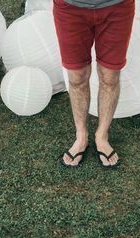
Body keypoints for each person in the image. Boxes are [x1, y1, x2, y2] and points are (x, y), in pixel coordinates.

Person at [53, 0, 135, 169]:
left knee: (110, 76)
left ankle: (102, 136)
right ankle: (81, 137)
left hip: (117, 6)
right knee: (77, 78)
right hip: (70, 8)